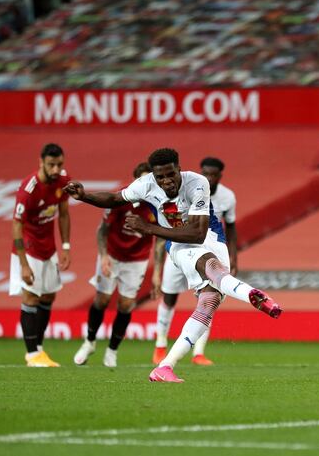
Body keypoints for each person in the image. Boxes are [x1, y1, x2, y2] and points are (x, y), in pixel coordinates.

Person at [64, 148, 282, 383]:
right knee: (209, 267)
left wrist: (149, 228)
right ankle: (251, 293)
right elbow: (116, 199)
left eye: (170, 174)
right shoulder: (145, 184)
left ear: (179, 169)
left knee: (208, 304)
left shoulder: (197, 183)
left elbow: (198, 234)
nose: (166, 181)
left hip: (210, 238)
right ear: (154, 176)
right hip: (178, 244)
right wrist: (84, 196)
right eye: (160, 177)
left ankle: (165, 366)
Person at [73, 162, 161, 368]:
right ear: (134, 180)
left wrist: (157, 272)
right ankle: (89, 342)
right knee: (102, 299)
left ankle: (112, 351)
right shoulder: (123, 198)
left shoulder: (157, 203)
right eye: (141, 180)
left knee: (125, 305)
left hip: (137, 260)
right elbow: (102, 229)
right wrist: (103, 256)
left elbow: (160, 239)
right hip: (112, 255)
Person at [153, 156, 238, 366]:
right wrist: (157, 267)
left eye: (212, 174)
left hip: (209, 251)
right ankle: (160, 345)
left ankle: (198, 352)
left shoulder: (228, 197)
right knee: (169, 297)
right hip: (180, 250)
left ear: (220, 176)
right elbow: (165, 225)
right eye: (205, 173)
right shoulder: (188, 188)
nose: (208, 178)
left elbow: (232, 228)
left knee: (209, 297)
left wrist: (233, 257)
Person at [10, 143, 72, 367]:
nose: (56, 169)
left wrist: (65, 246)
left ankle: (39, 350)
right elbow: (16, 225)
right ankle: (32, 354)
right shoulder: (29, 189)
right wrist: (23, 264)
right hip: (29, 248)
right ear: (41, 162)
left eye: (59, 164)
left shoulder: (62, 182)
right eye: (51, 165)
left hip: (49, 248)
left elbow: (64, 214)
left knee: (48, 296)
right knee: (30, 297)